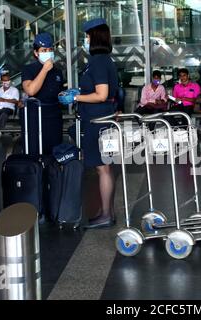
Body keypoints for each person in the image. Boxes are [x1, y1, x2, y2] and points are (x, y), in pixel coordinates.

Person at [70, 18, 119, 229]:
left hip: (98, 122)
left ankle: (106, 214)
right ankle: (107, 211)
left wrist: (76, 97)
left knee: (103, 169)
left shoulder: (99, 61)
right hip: (102, 119)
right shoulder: (104, 60)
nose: (85, 40)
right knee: (105, 168)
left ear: (94, 37)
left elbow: (102, 94)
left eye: (87, 36)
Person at [21, 32, 64, 155]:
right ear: (36, 53)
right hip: (36, 117)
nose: (48, 53)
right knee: (36, 151)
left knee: (54, 153)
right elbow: (31, 90)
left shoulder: (57, 71)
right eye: (44, 50)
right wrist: (44, 69)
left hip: (54, 116)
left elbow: (58, 92)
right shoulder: (29, 69)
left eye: (50, 50)